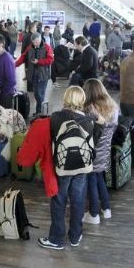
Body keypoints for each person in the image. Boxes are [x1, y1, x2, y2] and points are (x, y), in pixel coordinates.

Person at [38, 86, 96, 250]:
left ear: (66, 98)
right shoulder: (89, 120)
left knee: (59, 201)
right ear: (81, 100)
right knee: (78, 201)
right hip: (82, 169)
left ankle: (56, 239)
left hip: (62, 167)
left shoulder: (56, 117)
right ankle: (75, 236)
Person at [82, 79, 117, 224]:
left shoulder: (90, 109)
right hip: (105, 151)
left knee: (91, 180)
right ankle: (106, 209)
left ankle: (94, 214)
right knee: (99, 178)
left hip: (93, 151)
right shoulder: (113, 106)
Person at [16, 33, 54, 115]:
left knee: (40, 93)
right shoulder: (29, 47)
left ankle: (39, 112)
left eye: (37, 41)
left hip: (43, 75)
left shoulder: (47, 47)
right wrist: (14, 65)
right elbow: (23, 57)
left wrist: (39, 62)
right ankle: (40, 111)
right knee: (36, 93)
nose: (36, 43)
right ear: (32, 41)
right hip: (33, 74)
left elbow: (50, 60)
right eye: (34, 42)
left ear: (40, 39)